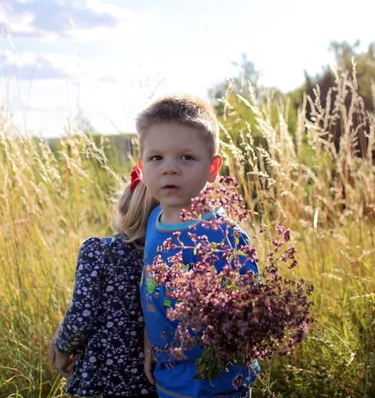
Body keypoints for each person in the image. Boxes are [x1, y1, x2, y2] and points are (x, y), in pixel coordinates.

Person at [135, 94, 260, 398]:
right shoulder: (155, 221)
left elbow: (248, 316)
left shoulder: (223, 238)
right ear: (142, 166)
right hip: (169, 382)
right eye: (157, 158)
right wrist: (151, 339)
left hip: (218, 386)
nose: (170, 169)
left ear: (212, 167)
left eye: (186, 157)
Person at [49, 166, 159, 398]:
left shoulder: (98, 251)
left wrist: (61, 348)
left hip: (102, 377)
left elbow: (82, 314)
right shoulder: (167, 256)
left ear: (120, 209)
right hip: (153, 378)